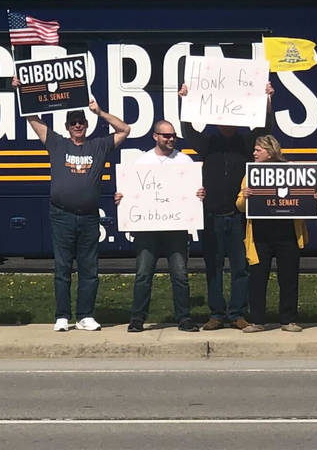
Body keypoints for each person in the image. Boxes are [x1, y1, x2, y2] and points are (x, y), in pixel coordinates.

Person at [28, 102, 132, 332]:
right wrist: (21, 92)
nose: (77, 126)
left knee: (89, 269)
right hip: (61, 215)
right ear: (67, 127)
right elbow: (33, 119)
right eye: (73, 123)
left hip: (89, 217)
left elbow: (125, 130)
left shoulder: (99, 146)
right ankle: (62, 316)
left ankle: (85, 315)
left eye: (81, 122)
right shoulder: (56, 143)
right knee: (62, 267)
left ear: (87, 125)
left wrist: (100, 112)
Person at [182, 82, 269, 332]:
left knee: (241, 268)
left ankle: (238, 314)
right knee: (214, 267)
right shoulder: (208, 143)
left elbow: (265, 127)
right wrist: (186, 100)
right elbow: (188, 131)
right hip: (212, 216)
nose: (226, 121)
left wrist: (267, 100)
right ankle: (216, 314)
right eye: (222, 118)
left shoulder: (245, 143)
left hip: (240, 217)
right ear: (215, 118)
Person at [120, 118, 203, 333]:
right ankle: (137, 319)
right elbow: (129, 192)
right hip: (148, 230)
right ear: (155, 136)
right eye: (166, 135)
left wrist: (199, 194)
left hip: (176, 228)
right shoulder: (142, 162)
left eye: (173, 135)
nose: (170, 138)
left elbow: (195, 190)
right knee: (143, 274)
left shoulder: (185, 162)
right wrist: (122, 198)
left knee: (180, 275)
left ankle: (184, 318)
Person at [239, 131, 312, 331]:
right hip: (260, 236)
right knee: (257, 278)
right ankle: (257, 321)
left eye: (258, 150)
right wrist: (245, 197)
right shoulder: (251, 173)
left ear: (270, 152)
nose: (254, 153)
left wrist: (315, 197)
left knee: (288, 278)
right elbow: (239, 205)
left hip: (288, 234)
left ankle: (288, 320)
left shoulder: (291, 170)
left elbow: (305, 198)